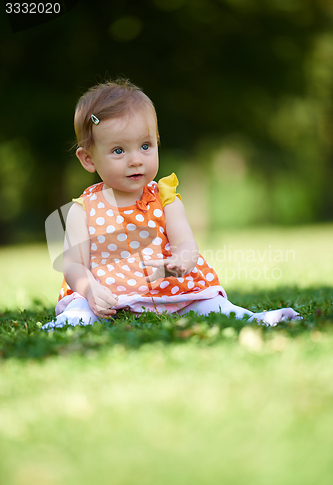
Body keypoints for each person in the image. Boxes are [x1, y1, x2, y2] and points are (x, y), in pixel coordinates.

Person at [42, 79, 300, 330]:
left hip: (167, 289)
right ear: (88, 159)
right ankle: (65, 324)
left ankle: (252, 318)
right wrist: (89, 289)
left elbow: (186, 243)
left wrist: (182, 260)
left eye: (145, 146)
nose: (135, 160)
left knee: (209, 304)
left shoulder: (165, 198)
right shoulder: (83, 209)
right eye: (119, 151)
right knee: (81, 312)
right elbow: (73, 264)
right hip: (105, 293)